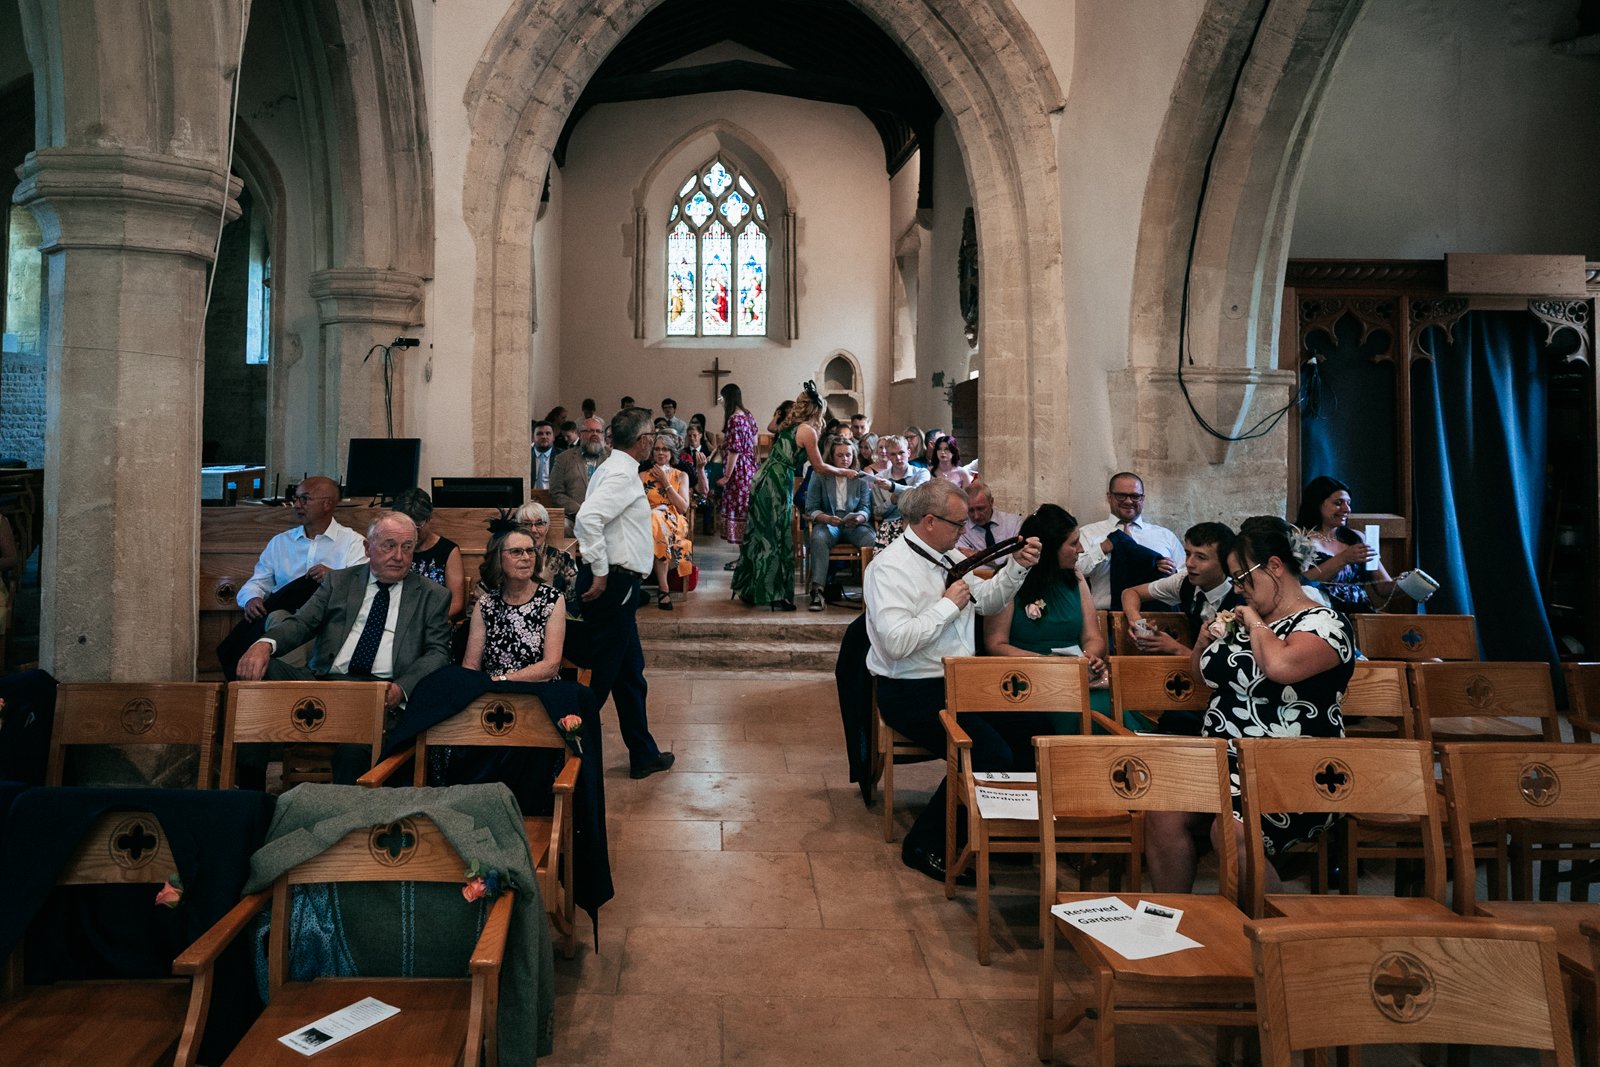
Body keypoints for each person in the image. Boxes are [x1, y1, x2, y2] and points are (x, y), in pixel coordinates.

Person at [1144, 516, 1355, 896]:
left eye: (1243, 578)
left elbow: (1280, 666)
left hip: (1295, 768)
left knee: (1231, 827)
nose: (1239, 589)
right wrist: (1201, 644)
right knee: (1163, 812)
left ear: (1274, 566)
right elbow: (1203, 676)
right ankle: (1173, 925)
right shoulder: (1243, 620)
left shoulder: (1325, 623)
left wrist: (1256, 622)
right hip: (1223, 761)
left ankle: (1276, 933)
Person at [866, 479, 1042, 881]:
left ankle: (999, 833)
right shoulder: (890, 568)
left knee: (1033, 730)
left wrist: (1018, 567)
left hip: (960, 683)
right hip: (912, 689)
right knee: (986, 751)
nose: (965, 531)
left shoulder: (947, 557)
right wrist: (947, 607)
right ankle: (927, 843)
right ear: (929, 521)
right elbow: (895, 644)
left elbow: (990, 601)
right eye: (957, 524)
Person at [234, 512, 453, 782]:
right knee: (256, 677)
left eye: (407, 547)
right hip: (326, 683)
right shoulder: (339, 582)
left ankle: (343, 817)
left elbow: (438, 653)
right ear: (367, 548)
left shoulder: (432, 595)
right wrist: (264, 645)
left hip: (380, 692)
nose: (398, 555)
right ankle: (249, 795)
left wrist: (402, 687)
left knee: (354, 752)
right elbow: (302, 624)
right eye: (389, 545)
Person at [572, 406, 673, 779]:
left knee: (630, 675)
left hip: (619, 583)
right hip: (613, 583)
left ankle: (643, 754)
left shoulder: (618, 469)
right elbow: (588, 518)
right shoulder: (620, 473)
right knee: (599, 679)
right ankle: (562, 749)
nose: (654, 441)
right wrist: (599, 570)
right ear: (643, 440)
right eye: (652, 436)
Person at [216, 475, 368, 679]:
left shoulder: (353, 543)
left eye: (304, 499)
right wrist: (251, 598)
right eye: (295, 498)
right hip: (287, 623)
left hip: (330, 623)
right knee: (279, 620)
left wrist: (334, 577)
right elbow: (258, 582)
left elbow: (363, 587)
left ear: (327, 503)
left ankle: (294, 690)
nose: (296, 505)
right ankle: (294, 689)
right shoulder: (281, 543)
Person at [732, 382, 861, 611]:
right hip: (776, 483)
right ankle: (774, 594)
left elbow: (773, 427)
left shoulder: (790, 424)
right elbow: (819, 466)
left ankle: (751, 590)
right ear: (818, 409)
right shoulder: (807, 431)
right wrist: (845, 471)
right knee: (777, 537)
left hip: (766, 477)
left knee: (761, 534)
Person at [982, 504, 1112, 726]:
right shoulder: (1009, 580)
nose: (1080, 549)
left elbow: (1093, 636)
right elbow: (996, 644)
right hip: (1027, 679)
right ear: (1050, 548)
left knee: (1107, 711)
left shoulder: (1075, 577)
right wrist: (1045, 662)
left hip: (1074, 676)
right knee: (1071, 715)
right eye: (1073, 543)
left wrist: (1088, 659)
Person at [463, 522, 565, 684]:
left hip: (538, 691)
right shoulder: (485, 603)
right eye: (516, 552)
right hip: (492, 694)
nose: (526, 558)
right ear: (498, 558)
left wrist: (504, 679)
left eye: (530, 551)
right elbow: (471, 665)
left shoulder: (552, 599)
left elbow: (550, 666)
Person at [1121, 521, 1241, 657]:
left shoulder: (1243, 594)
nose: (1189, 563)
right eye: (1188, 554)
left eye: (1201, 557)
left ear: (1225, 562)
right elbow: (1131, 593)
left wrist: (1175, 648)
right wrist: (1139, 625)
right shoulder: (1184, 580)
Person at [1076, 471, 1185, 610]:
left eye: (1135, 496)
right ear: (1109, 497)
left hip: (1156, 618)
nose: (1128, 501)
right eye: (1121, 496)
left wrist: (1172, 574)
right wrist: (1102, 548)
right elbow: (1075, 571)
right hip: (1106, 617)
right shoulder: (1088, 533)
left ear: (1142, 498)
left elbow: (1186, 576)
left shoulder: (1165, 536)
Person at [1295, 475, 1395, 614]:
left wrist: (1412, 585)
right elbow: (1300, 583)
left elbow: (1383, 587)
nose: (1346, 509)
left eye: (1348, 503)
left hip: (1361, 614)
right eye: (1338, 503)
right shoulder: (1299, 538)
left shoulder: (1357, 537)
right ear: (1317, 503)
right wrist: (1343, 559)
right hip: (1321, 615)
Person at [803, 436, 875, 611]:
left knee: (872, 539)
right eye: (840, 455)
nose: (845, 459)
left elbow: (866, 507)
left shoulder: (860, 477)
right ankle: (818, 591)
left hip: (853, 525)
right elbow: (810, 508)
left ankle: (873, 592)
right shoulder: (820, 475)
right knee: (819, 538)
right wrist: (826, 519)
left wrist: (860, 517)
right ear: (832, 457)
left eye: (848, 455)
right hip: (829, 522)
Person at [393, 487, 466, 622]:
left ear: (429, 519)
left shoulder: (448, 550)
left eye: (417, 528)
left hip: (434, 622)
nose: (413, 535)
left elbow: (456, 603)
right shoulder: (395, 550)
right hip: (397, 619)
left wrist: (425, 621)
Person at [642, 434, 694, 610]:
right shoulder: (642, 476)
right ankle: (662, 589)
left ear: (671, 453)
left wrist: (665, 482)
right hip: (646, 520)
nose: (660, 452)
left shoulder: (681, 476)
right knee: (654, 519)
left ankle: (663, 588)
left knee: (656, 521)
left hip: (674, 519)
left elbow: (683, 507)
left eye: (664, 449)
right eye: (657, 449)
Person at [513, 499, 580, 621]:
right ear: (518, 528)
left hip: (556, 623)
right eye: (527, 524)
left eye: (539, 524)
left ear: (547, 527)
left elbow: (575, 604)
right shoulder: (509, 559)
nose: (533, 530)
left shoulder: (562, 559)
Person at [865, 434, 929, 548]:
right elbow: (876, 511)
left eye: (901, 453)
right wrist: (891, 502)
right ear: (888, 456)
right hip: (891, 523)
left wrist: (893, 487)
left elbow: (917, 492)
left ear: (908, 452)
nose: (898, 458)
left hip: (917, 521)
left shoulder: (921, 473)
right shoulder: (880, 478)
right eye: (893, 454)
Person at [716, 383, 759, 553]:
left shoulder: (734, 419)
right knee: (746, 510)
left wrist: (727, 475)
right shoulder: (748, 415)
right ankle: (746, 557)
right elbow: (755, 442)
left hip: (738, 471)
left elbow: (734, 450)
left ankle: (744, 558)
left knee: (740, 510)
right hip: (750, 467)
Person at [551, 416, 608, 533]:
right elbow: (556, 492)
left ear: (603, 435)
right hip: (574, 517)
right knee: (562, 525)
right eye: (590, 431)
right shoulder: (564, 458)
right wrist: (580, 510)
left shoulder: (613, 458)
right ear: (579, 434)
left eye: (599, 431)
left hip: (606, 517)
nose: (595, 434)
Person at [956, 482, 1021, 557]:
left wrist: (977, 556)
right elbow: (963, 562)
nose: (976, 516)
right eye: (970, 510)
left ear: (991, 502)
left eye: (980, 508)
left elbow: (1019, 558)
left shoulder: (1014, 523)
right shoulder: (961, 530)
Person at [530, 419, 558, 490]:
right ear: (533, 438)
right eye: (540, 434)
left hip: (553, 498)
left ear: (553, 437)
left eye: (548, 433)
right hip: (531, 496)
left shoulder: (562, 456)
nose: (544, 437)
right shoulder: (525, 456)